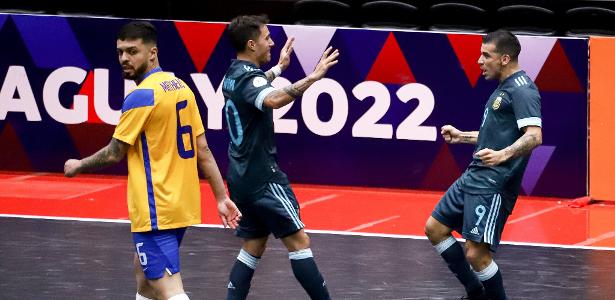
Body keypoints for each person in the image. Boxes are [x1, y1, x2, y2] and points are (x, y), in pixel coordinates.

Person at [63, 21, 241, 300]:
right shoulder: (180, 87)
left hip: (155, 209)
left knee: (168, 289)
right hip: (179, 206)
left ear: (152, 53)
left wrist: (78, 166)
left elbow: (115, 152)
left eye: (132, 51)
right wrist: (220, 197)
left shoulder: (141, 96)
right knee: (144, 278)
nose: (124, 58)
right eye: (120, 52)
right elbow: (202, 150)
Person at [221, 15, 339, 300]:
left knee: (253, 245)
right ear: (252, 44)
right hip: (264, 178)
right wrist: (313, 77)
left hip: (239, 178)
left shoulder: (232, 75)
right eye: (266, 37)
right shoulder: (250, 77)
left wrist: (277, 69)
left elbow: (253, 88)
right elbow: (271, 99)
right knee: (299, 242)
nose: (272, 42)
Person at [424, 29, 542, 300]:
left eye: (486, 55)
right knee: (435, 228)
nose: (479, 60)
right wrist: (462, 136)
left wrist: (503, 156)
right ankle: (475, 292)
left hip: (493, 184)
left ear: (504, 58)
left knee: (477, 253)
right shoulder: (504, 87)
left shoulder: (523, 90)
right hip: (474, 176)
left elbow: (534, 136)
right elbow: (496, 135)